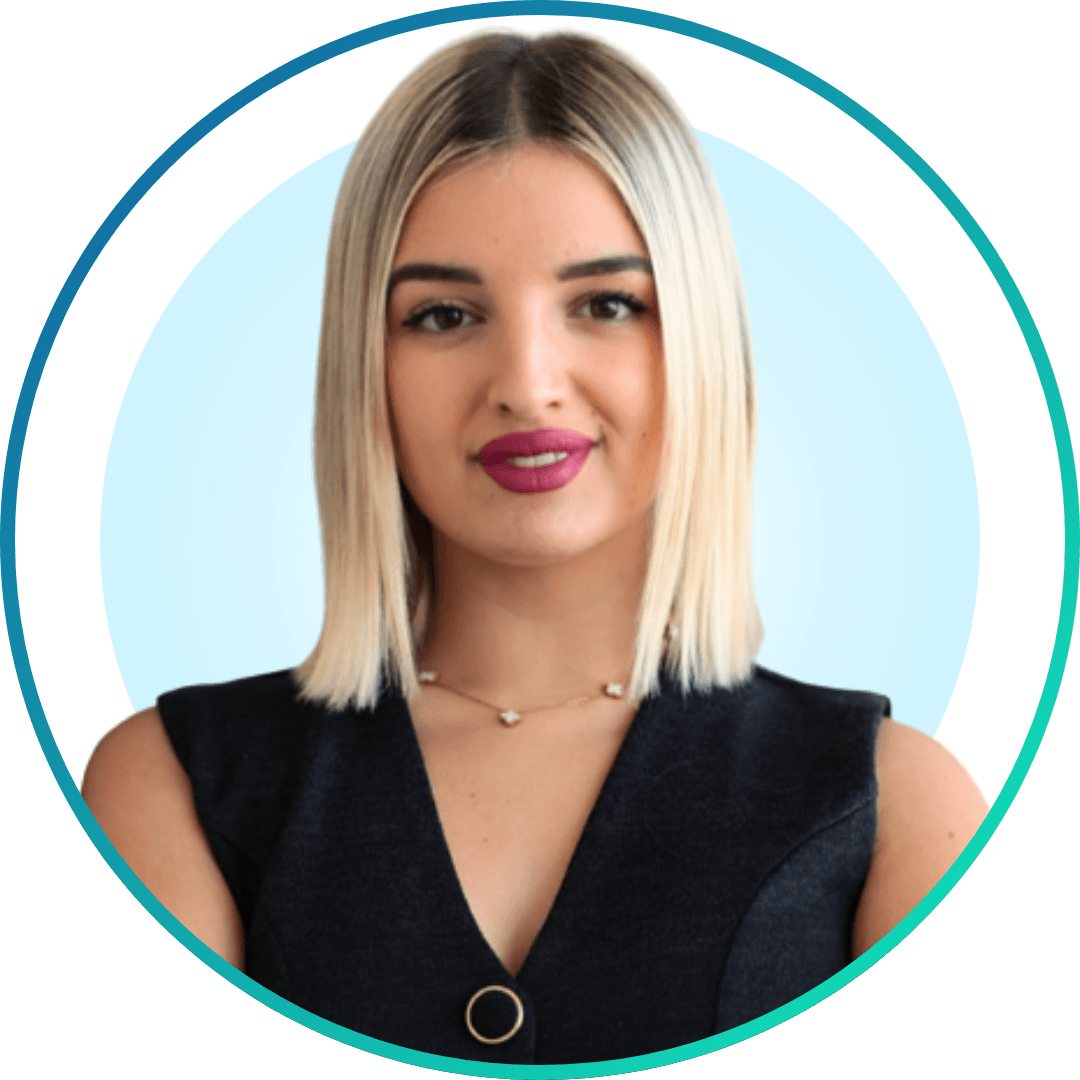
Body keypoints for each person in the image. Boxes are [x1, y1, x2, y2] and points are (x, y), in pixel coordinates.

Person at [82, 31, 988, 1065]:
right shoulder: (171, 787)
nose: (526, 382)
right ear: (365, 365)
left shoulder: (895, 805)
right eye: (443, 315)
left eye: (606, 304)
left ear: (698, 345)